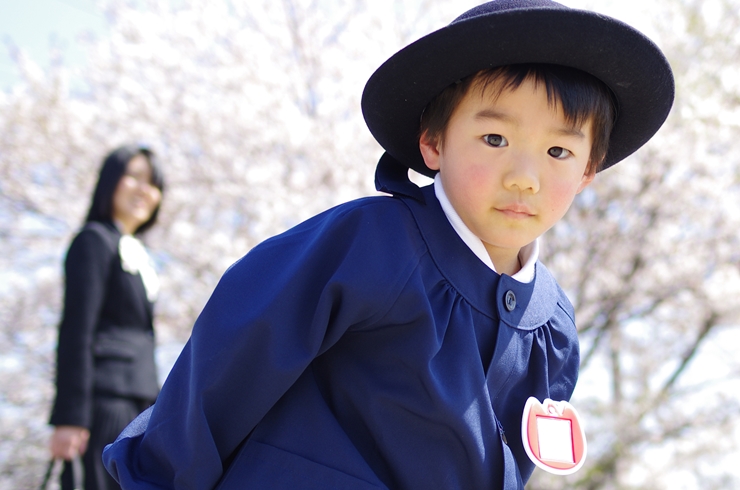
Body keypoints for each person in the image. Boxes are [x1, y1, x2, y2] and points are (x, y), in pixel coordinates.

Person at [103, 1, 674, 489]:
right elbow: (232, 356)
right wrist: (161, 477)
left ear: (589, 173)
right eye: (495, 138)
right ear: (432, 143)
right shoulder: (371, 244)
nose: (524, 176)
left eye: (559, 152)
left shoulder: (554, 329)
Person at [49, 145, 165, 490]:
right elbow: (76, 329)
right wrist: (70, 418)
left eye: (153, 183)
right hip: (103, 401)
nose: (144, 190)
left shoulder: (141, 255)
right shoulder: (93, 241)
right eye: (134, 177)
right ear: (110, 181)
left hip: (143, 403)